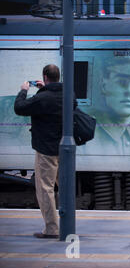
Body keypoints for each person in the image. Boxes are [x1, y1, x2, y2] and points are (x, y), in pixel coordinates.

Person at [14, 64, 74, 239]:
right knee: (66, 187)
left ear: (45, 77)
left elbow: (20, 108)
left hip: (46, 150)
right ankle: (69, 224)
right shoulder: (68, 94)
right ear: (58, 77)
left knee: (46, 189)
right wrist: (45, 89)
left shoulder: (43, 98)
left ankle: (52, 229)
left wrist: (24, 90)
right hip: (65, 149)